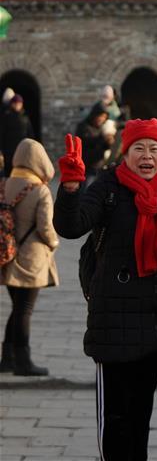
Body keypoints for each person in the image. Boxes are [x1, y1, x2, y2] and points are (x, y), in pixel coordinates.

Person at [53, 119, 157, 461]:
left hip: (153, 321)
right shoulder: (108, 187)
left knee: (141, 417)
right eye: (139, 148)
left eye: (154, 149)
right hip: (114, 319)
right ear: (125, 153)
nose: (147, 156)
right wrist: (70, 189)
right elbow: (71, 226)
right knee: (115, 419)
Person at [0, 139, 59, 376]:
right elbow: (46, 228)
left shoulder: (5, 184)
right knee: (25, 309)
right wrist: (54, 242)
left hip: (7, 253)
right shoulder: (40, 190)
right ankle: (23, 362)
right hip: (31, 257)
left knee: (17, 307)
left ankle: (7, 359)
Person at [75, 105, 113, 178]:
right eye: (100, 116)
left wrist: (109, 142)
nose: (102, 119)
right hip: (86, 167)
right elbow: (88, 142)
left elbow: (104, 147)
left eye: (104, 117)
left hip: (99, 166)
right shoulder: (83, 127)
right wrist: (103, 138)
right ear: (94, 115)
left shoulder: (101, 129)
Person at [1, 94, 34, 177]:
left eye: (19, 103)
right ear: (12, 104)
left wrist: (31, 147)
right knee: (9, 172)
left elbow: (30, 134)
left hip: (22, 149)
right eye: (15, 103)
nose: (17, 105)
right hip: (9, 150)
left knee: (22, 171)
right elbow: (2, 134)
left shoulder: (25, 117)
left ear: (21, 104)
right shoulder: (6, 116)